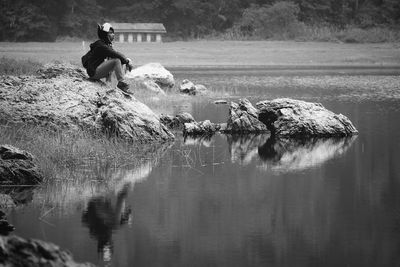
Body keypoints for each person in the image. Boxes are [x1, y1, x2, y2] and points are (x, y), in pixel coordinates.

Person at [82, 22, 134, 93]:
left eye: (113, 33)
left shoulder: (105, 44)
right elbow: (115, 54)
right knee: (116, 60)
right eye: (110, 33)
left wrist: (126, 60)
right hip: (94, 72)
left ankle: (112, 86)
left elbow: (117, 53)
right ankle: (121, 84)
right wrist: (127, 62)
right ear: (105, 35)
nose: (113, 35)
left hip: (96, 70)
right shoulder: (101, 46)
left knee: (118, 61)